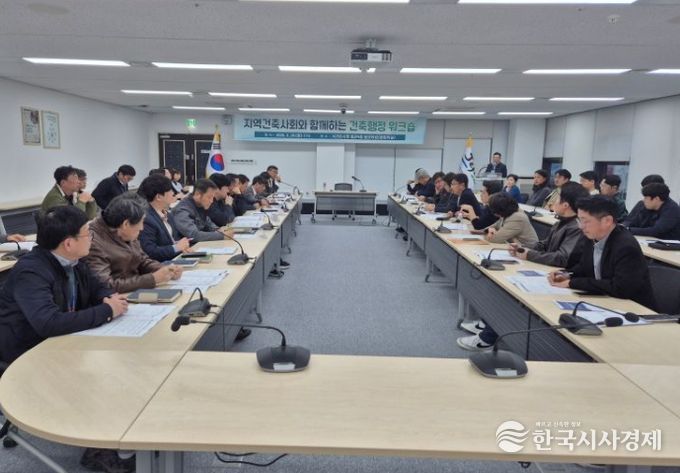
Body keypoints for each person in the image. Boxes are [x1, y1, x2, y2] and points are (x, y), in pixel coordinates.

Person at [0, 206, 133, 473]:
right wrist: (106, 311)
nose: (91, 239)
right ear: (69, 243)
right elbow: (48, 323)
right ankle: (97, 450)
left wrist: (108, 298)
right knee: (104, 374)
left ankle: (117, 434)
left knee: (122, 359)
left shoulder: (73, 261)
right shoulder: (31, 271)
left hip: (61, 341)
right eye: (87, 234)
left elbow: (97, 287)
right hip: (26, 353)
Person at [458, 183, 590, 352]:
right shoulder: (561, 222)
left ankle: (487, 338)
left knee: (510, 293)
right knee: (504, 285)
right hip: (549, 271)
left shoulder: (575, 227)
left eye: (556, 199)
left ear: (565, 205)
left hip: (561, 277)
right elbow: (543, 245)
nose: (552, 203)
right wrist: (522, 249)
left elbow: (562, 258)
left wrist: (528, 255)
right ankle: (488, 324)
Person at [548, 195, 655, 310]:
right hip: (605, 300)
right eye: (579, 220)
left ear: (607, 221)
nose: (581, 226)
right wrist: (566, 274)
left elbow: (620, 288)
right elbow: (584, 267)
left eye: (586, 221)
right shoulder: (592, 236)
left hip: (633, 309)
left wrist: (572, 283)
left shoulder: (626, 246)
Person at [85, 193, 182, 293]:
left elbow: (142, 260)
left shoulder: (125, 231)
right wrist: (152, 279)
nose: (142, 228)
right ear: (126, 224)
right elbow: (106, 285)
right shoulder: (92, 242)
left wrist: (164, 270)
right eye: (141, 222)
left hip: (135, 291)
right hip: (119, 297)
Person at [138, 174, 192, 262]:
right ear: (159, 197)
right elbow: (150, 252)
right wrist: (176, 247)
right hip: (161, 266)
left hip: (175, 260)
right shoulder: (146, 219)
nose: (173, 193)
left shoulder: (167, 214)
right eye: (170, 190)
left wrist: (181, 245)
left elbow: (171, 241)